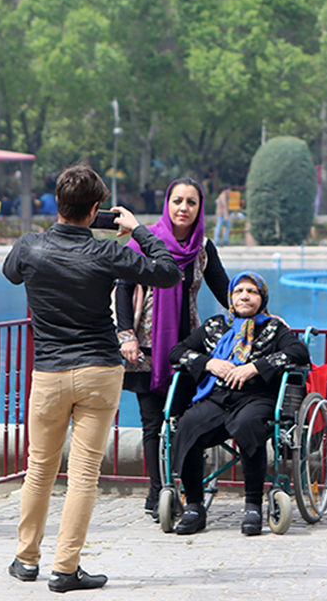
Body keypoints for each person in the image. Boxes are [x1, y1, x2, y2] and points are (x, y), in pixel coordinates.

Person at [2, 164, 180, 592]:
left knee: (38, 469)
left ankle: (26, 560)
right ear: (97, 208)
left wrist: (50, 234)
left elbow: (11, 272)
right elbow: (167, 271)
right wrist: (137, 230)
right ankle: (66, 568)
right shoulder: (107, 252)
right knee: (83, 475)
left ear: (59, 202)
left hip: (49, 372)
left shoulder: (31, 247)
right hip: (100, 370)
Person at [114, 179, 229, 520]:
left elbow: (225, 290)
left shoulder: (203, 248)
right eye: (177, 201)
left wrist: (260, 312)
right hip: (146, 344)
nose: (183, 208)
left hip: (187, 348)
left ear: (199, 209)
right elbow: (123, 289)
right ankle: (157, 492)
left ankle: (186, 488)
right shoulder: (144, 242)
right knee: (152, 422)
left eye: (191, 203)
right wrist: (126, 336)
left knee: (183, 419)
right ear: (167, 203)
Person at [168, 272, 309, 537]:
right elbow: (177, 352)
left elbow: (299, 353)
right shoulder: (214, 326)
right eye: (239, 291)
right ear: (231, 297)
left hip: (257, 397)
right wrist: (209, 363)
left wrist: (254, 368)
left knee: (248, 425)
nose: (245, 296)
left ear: (262, 298)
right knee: (187, 425)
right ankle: (194, 506)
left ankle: (253, 505)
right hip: (217, 397)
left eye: (252, 291)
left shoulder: (274, 328)